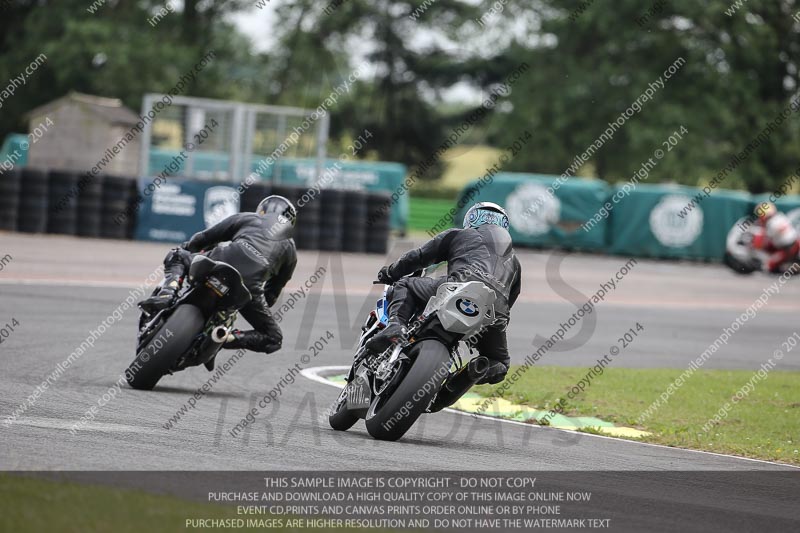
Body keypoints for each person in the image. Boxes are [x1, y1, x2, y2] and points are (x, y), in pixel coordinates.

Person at [365, 201, 521, 385]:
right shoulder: (515, 262)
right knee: (500, 364)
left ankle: (395, 326)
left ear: (472, 218)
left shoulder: (460, 234)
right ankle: (466, 376)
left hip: (459, 287)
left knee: (405, 284)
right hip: (494, 311)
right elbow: (510, 300)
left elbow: (418, 257)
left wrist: (390, 272)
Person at [139, 195, 298, 353]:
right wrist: (252, 302)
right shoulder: (291, 250)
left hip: (220, 260)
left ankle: (168, 292)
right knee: (274, 338)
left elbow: (203, 238)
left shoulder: (248, 218)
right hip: (248, 287)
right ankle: (225, 336)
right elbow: (272, 294)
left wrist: (188, 250)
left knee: (177, 255)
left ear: (263, 210)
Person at [752, 201, 799, 273]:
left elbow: (764, 242)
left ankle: (787, 265)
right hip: (791, 245)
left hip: (787, 249)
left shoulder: (771, 224)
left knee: (768, 266)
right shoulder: (780, 216)